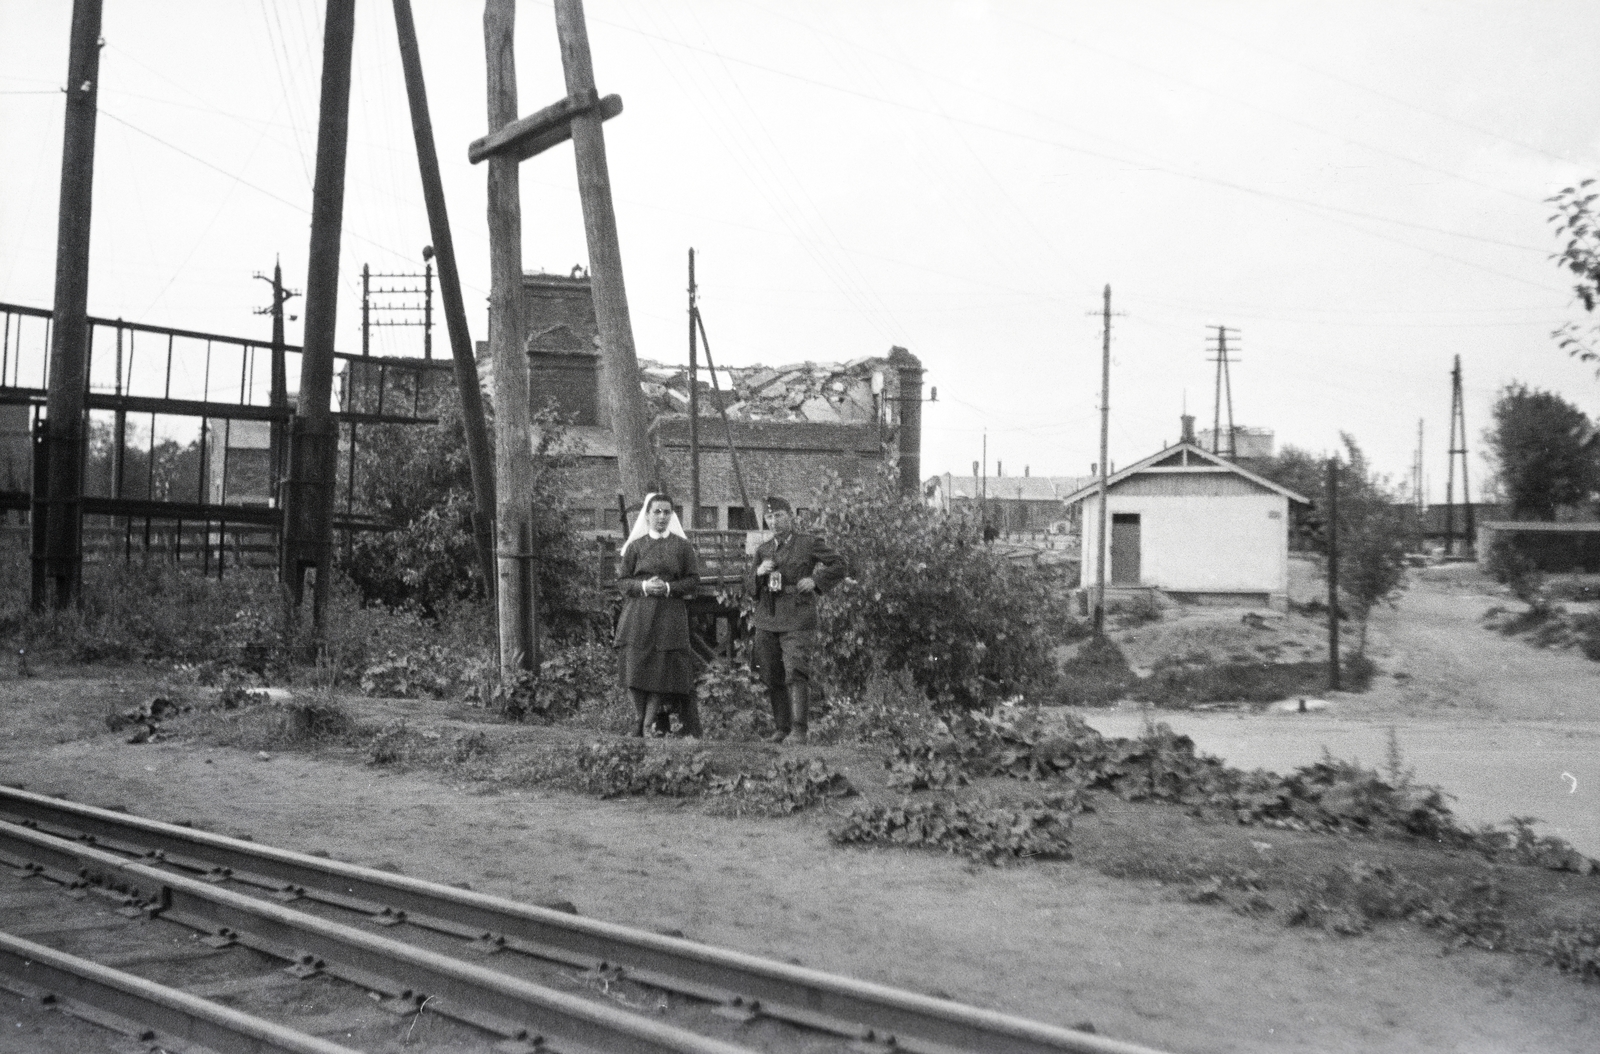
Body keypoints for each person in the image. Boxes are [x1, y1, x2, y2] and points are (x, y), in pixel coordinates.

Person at [744, 497, 845, 743]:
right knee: (771, 672)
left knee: (796, 671)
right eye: (769, 517)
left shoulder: (808, 543)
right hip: (768, 617)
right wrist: (757, 573)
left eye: (779, 515)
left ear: (790, 516)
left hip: (798, 616)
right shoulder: (763, 550)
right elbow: (749, 588)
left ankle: (799, 730)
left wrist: (817, 581)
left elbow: (840, 564)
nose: (774, 521)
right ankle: (782, 728)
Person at [615, 493, 702, 737]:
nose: (662, 517)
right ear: (647, 515)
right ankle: (638, 718)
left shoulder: (682, 547)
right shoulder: (636, 546)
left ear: (672, 515)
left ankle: (647, 725)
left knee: (659, 671)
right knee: (634, 667)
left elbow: (693, 581)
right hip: (638, 615)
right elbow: (622, 582)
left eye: (667, 512)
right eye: (657, 512)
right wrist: (643, 587)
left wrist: (668, 588)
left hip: (668, 614)